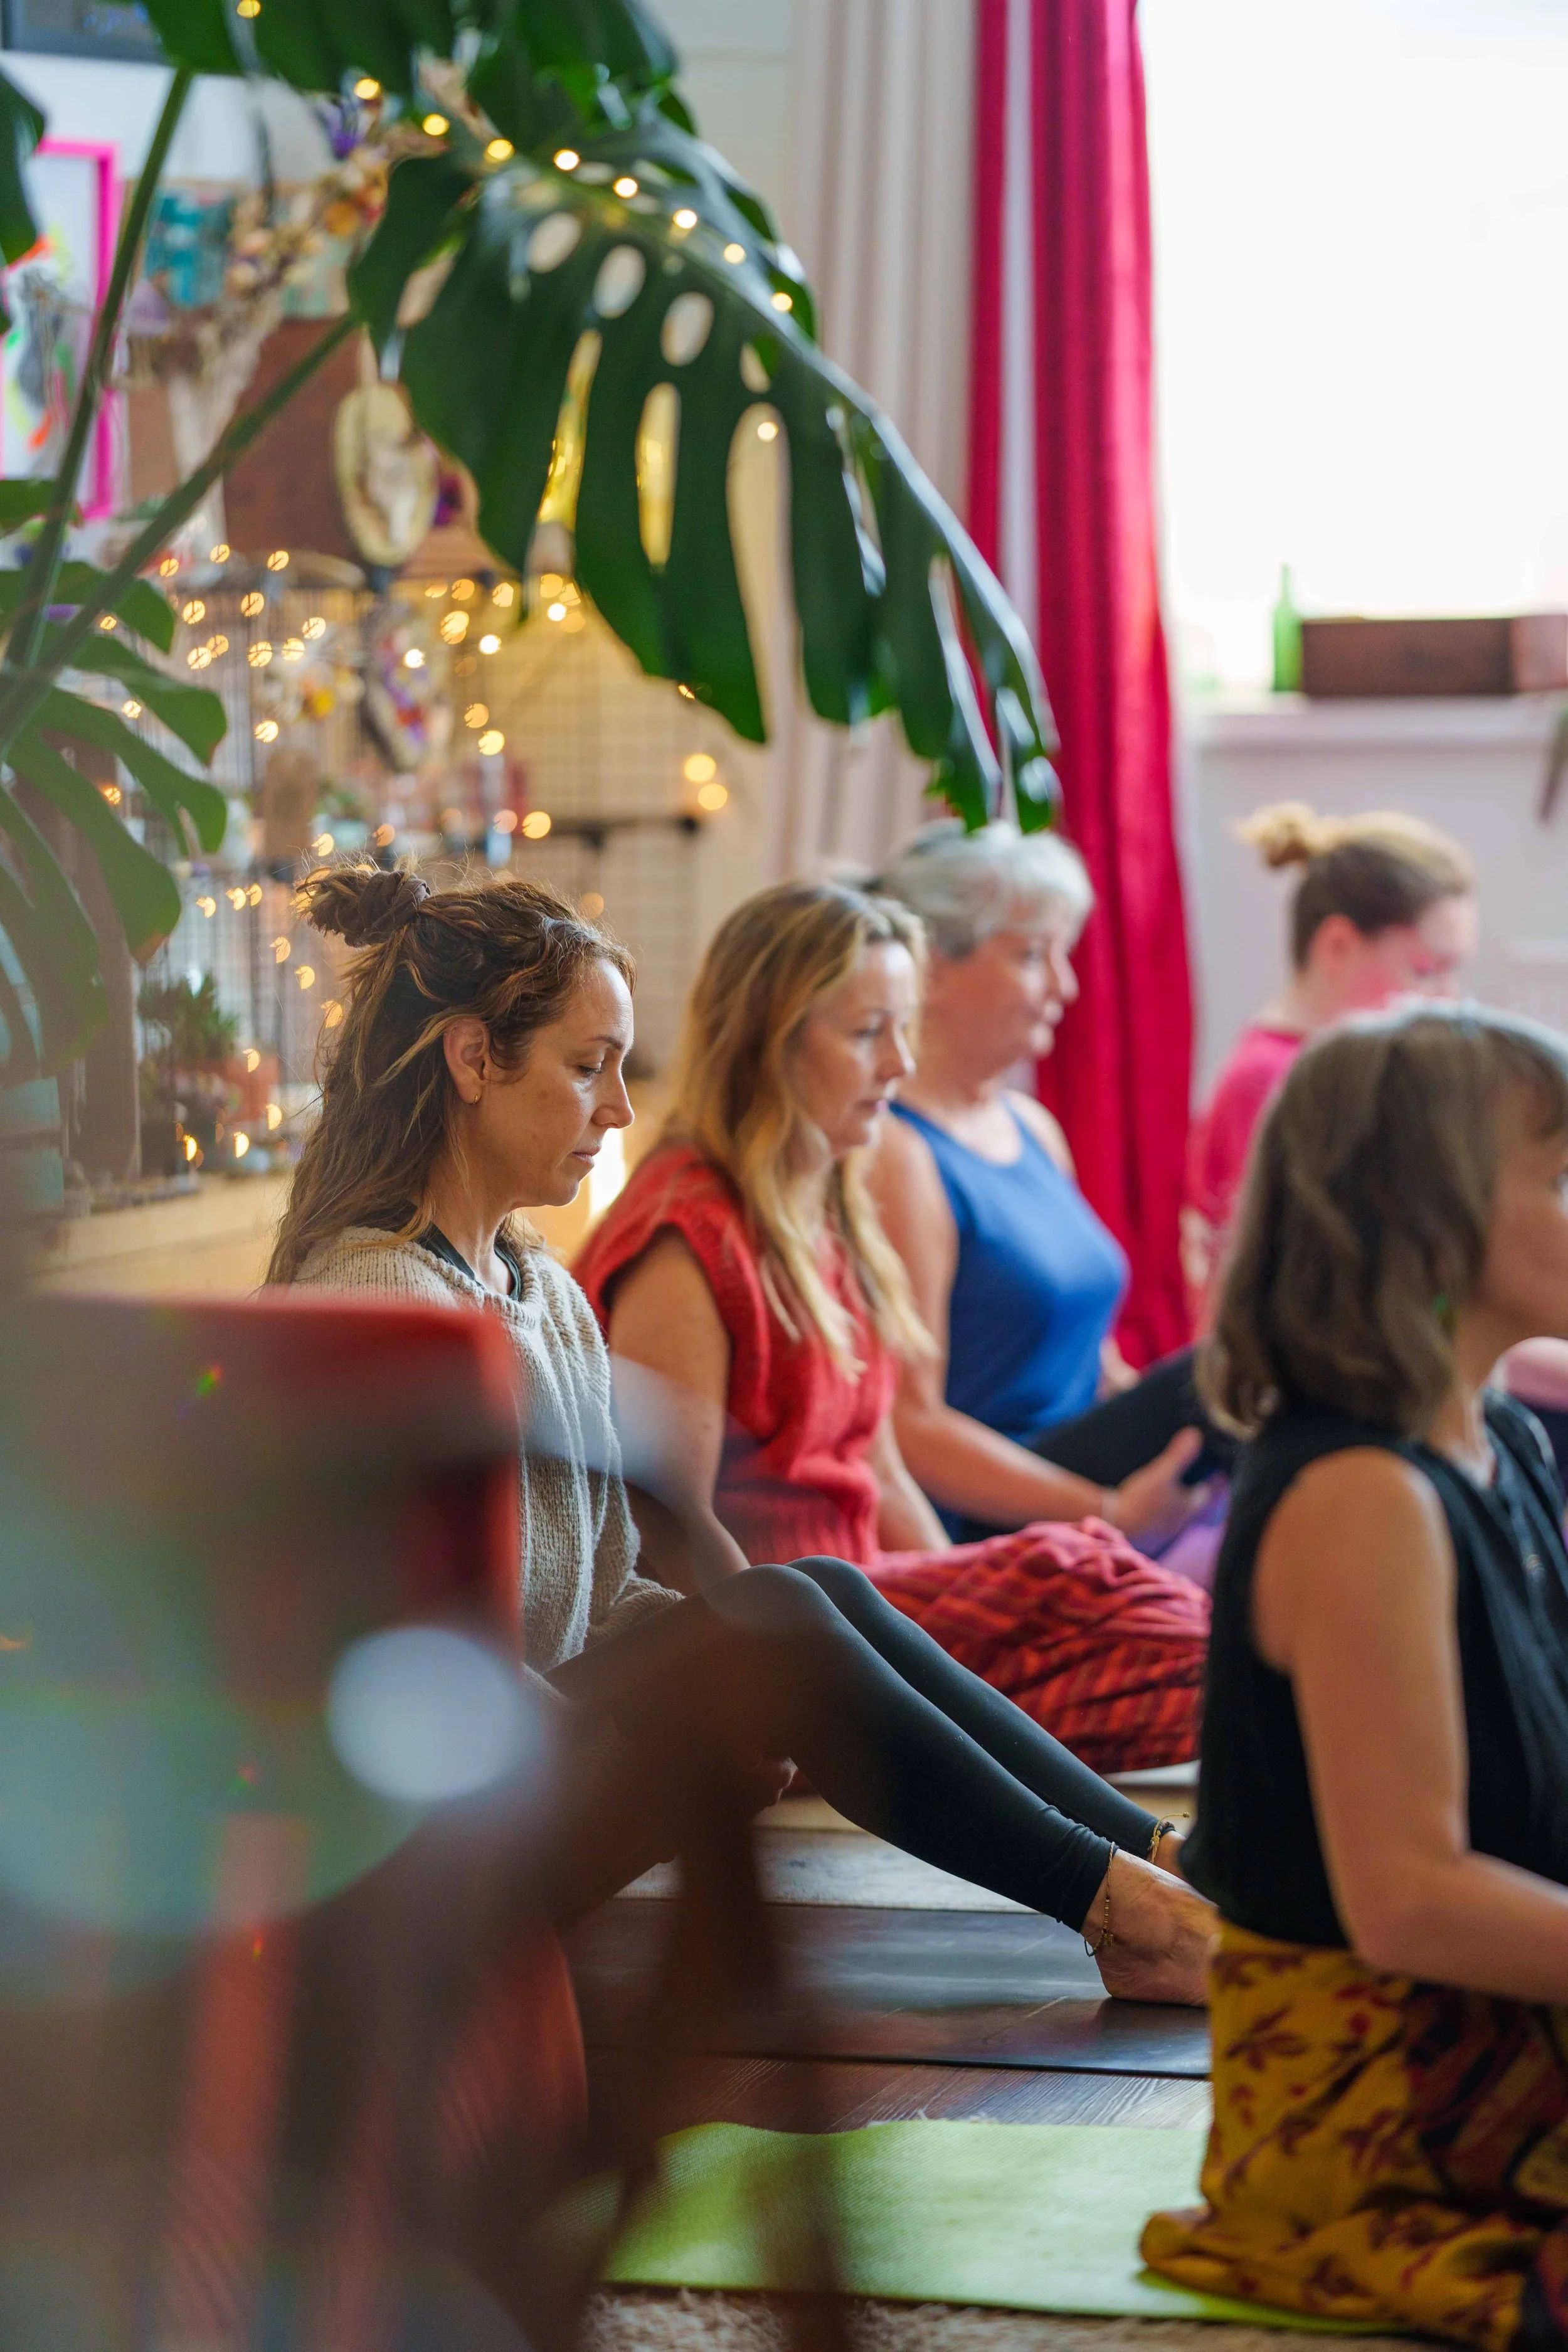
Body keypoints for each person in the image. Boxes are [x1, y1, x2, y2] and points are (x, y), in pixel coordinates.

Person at [270, 863, 1214, 2003]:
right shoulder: (382, 1313)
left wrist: (727, 1687)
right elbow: (404, 1667)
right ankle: (1129, 1912)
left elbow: (612, 1595)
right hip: (440, 1840)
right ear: (474, 1060)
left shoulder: (536, 1288)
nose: (618, 1109)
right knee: (772, 1616)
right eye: (586, 1069)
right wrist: (707, 1686)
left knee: (811, 1593)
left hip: (541, 1770)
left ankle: (1164, 1868)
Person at [575, 879, 1212, 1777]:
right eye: (870, 1031)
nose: (901, 1063)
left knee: (1136, 1607)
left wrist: (964, 1618)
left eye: (904, 1028)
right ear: (770, 1042)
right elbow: (667, 1526)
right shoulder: (688, 1232)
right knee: (1121, 1604)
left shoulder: (825, 1204)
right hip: (800, 1627)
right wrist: (777, 1709)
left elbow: (878, 1466)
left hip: (877, 1602)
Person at [1142, 1002, 1568, 2341]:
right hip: (1388, 2097)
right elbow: (1408, 1905)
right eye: (1555, 1177)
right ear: (1424, 1214)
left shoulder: (1502, 1439)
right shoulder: (1359, 1499)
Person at [866, 820, 1229, 1549]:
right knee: (1243, 1371)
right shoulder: (897, 1152)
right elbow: (912, 1426)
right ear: (932, 969)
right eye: (1032, 956)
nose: (1065, 986)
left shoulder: (1033, 1128)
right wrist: (1106, 1508)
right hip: (996, 1514)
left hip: (1080, 1482)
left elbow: (1094, 1370)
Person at [1185, 801, 1475, 1310]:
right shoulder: (1274, 1084)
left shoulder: (1353, 1072)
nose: (1449, 999)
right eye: (1427, 970)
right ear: (1338, 946)